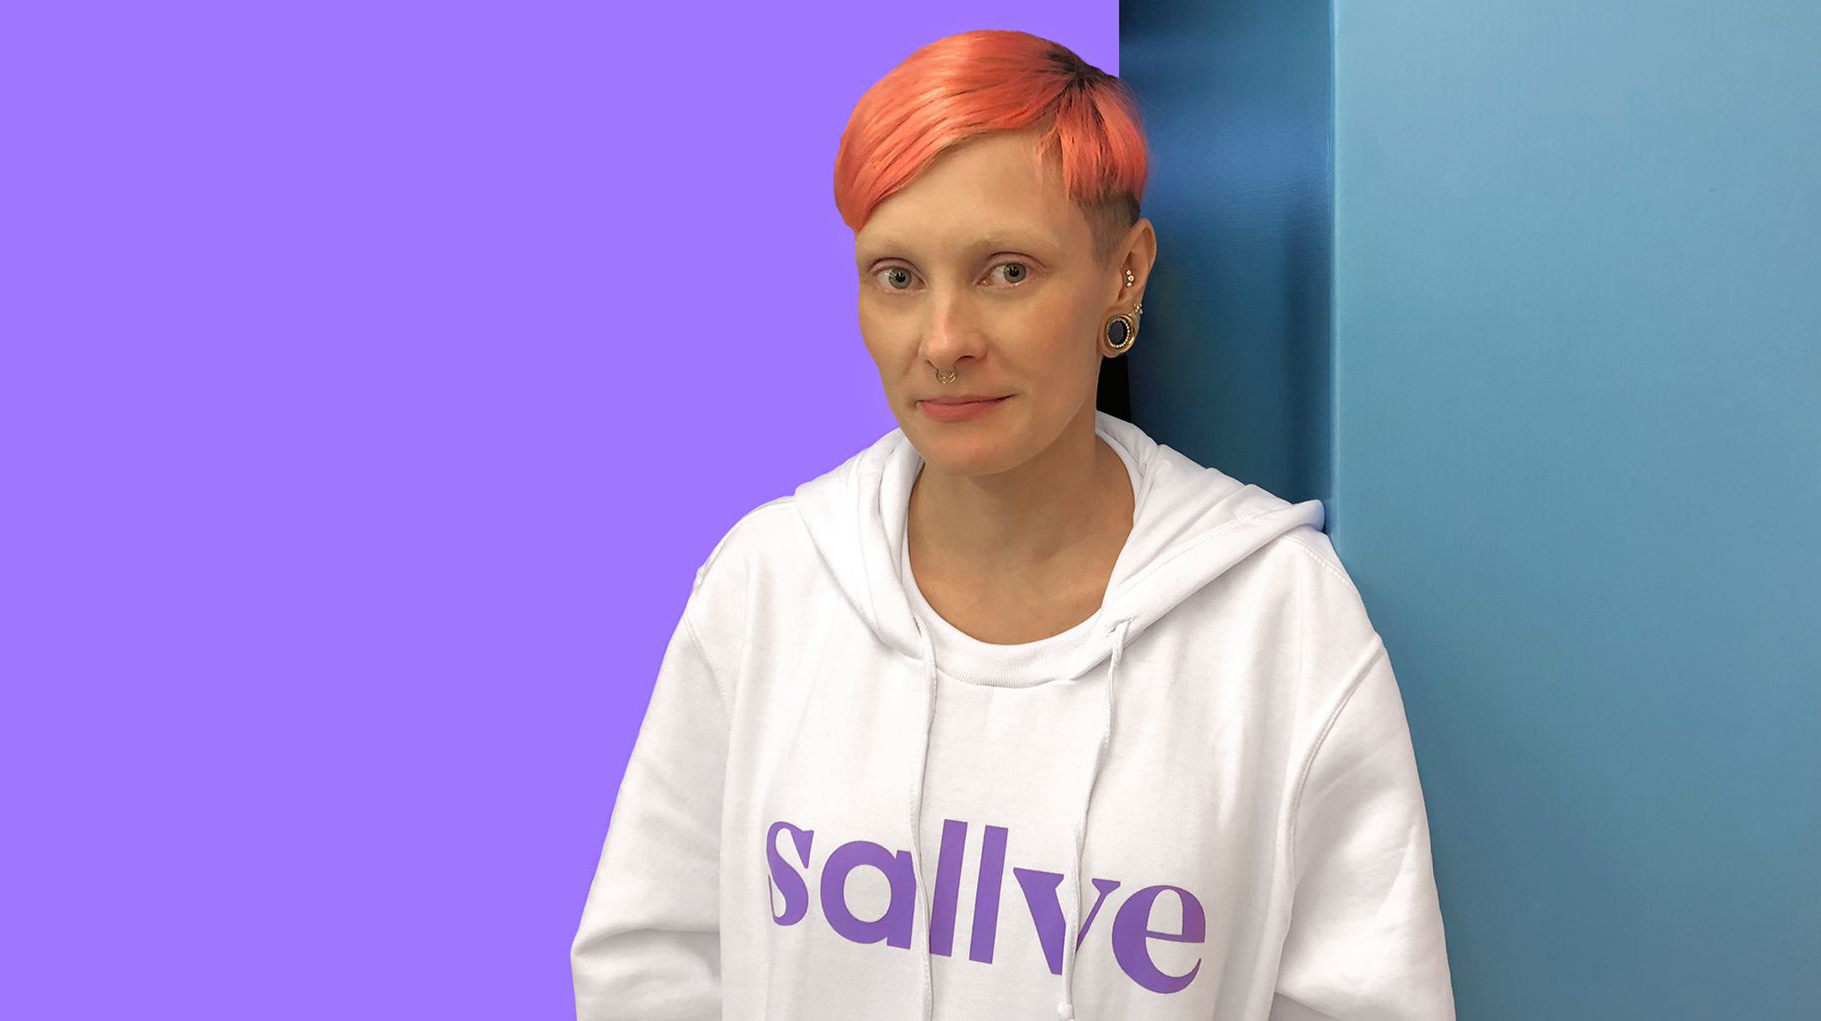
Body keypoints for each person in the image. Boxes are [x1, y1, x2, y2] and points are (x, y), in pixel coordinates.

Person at [571, 29, 1455, 1021]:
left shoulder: (1278, 616)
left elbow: (1363, 999)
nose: (943, 341)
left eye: (1006, 272)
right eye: (897, 276)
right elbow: (648, 963)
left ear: (1124, 274)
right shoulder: (766, 584)